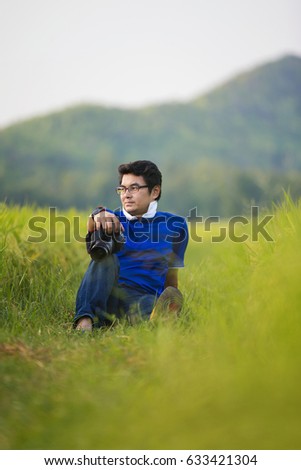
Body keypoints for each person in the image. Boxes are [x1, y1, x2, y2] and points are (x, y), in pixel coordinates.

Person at [74, 160, 189, 331]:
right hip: (110, 295)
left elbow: (171, 274)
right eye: (122, 189)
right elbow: (93, 224)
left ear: (155, 191)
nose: (126, 195)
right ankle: (84, 321)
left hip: (143, 297)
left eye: (134, 188)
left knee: (150, 305)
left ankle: (161, 317)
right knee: (105, 258)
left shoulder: (176, 225)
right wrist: (98, 214)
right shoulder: (112, 219)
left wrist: (173, 296)